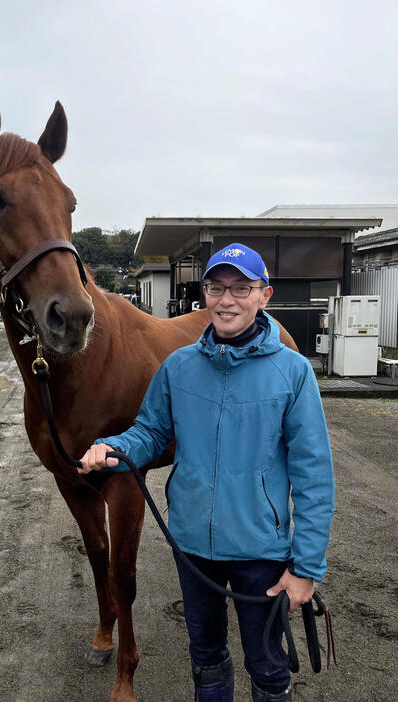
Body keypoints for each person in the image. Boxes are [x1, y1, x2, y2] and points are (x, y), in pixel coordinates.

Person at [79, 242, 334, 702]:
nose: (227, 299)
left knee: (267, 666)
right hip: (193, 545)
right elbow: (150, 432)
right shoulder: (178, 367)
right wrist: (113, 446)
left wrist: (306, 567)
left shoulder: (294, 373)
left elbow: (314, 475)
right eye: (217, 287)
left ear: (265, 296)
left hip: (262, 551)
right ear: (205, 294)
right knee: (207, 658)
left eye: (242, 288)